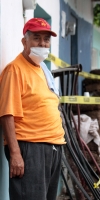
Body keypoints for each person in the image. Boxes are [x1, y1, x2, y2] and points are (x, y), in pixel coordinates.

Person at [0, 18, 65, 200]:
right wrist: (15, 154)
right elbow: (6, 114)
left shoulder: (42, 68)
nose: (42, 43)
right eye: (36, 38)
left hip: (53, 146)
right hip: (30, 148)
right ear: (24, 41)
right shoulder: (15, 70)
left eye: (46, 39)